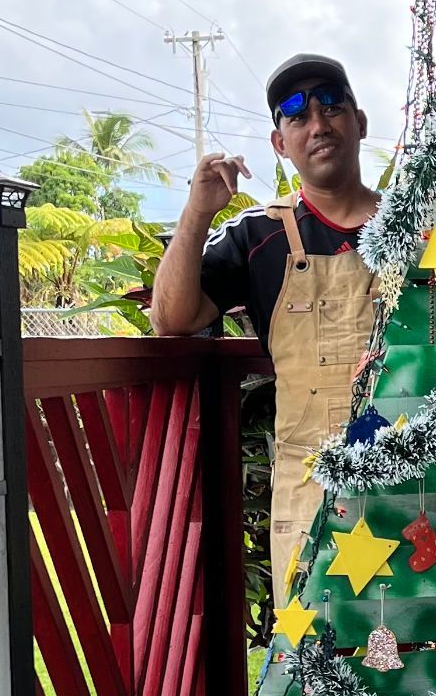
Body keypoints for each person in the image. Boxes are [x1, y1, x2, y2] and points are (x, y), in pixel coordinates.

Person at [151, 53, 379, 605]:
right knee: (315, 648)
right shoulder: (257, 235)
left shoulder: (417, 227)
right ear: (280, 144)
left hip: (419, 479)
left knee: (427, 643)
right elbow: (171, 319)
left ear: (359, 121)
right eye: (297, 116)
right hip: (311, 491)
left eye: (332, 106)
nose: (318, 125)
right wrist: (197, 212)